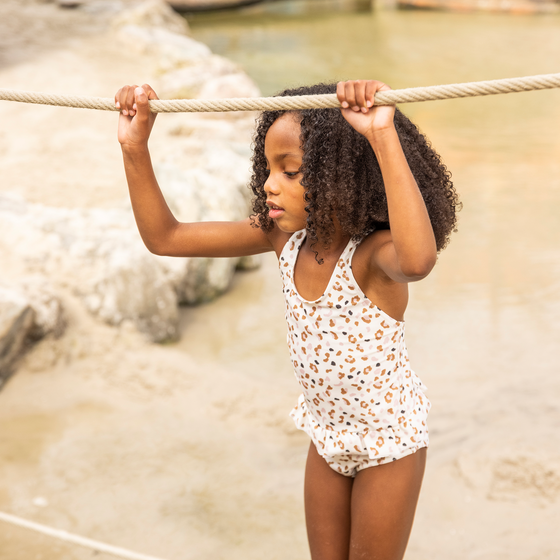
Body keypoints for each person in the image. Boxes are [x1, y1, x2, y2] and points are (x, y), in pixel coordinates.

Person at [115, 79, 460, 560]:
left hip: (389, 443)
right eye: (270, 168)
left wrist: (381, 135)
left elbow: (419, 261)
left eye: (291, 171)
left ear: (343, 177)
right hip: (326, 438)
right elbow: (166, 237)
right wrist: (134, 147)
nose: (269, 184)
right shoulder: (283, 238)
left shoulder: (372, 255)